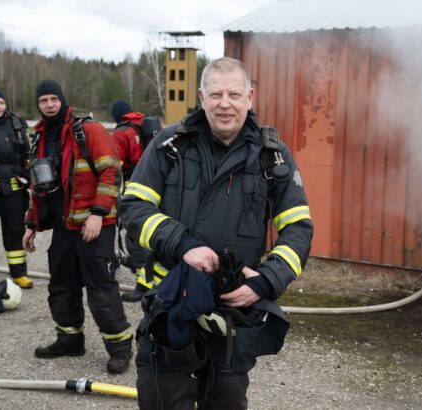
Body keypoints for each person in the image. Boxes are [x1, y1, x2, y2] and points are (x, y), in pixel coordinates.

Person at [120, 57, 313, 409]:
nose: (225, 103)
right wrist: (182, 244)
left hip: (233, 315)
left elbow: (298, 228)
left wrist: (266, 281)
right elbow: (133, 207)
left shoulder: (273, 158)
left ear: (250, 97)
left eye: (234, 94)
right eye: (216, 94)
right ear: (201, 96)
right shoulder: (169, 145)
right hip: (170, 305)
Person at [22, 80, 133, 373]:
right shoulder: (40, 138)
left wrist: (97, 214)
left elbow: (112, 171)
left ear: (62, 100)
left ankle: (120, 348)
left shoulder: (88, 131)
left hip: (94, 225)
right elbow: (38, 185)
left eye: (53, 99)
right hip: (63, 228)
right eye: (43, 100)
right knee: (61, 287)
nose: (48, 104)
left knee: (101, 289)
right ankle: (70, 340)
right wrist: (31, 224)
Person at [0, 89, 32, 289]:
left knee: (15, 231)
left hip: (14, 190)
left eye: (1, 102)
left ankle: (19, 273)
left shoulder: (15, 124)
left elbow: (26, 153)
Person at [110, 99, 152, 302]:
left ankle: (143, 287)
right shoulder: (144, 124)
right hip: (155, 184)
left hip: (136, 185)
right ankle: (138, 265)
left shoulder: (121, 132)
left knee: (135, 237)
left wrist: (109, 194)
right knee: (150, 231)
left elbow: (114, 167)